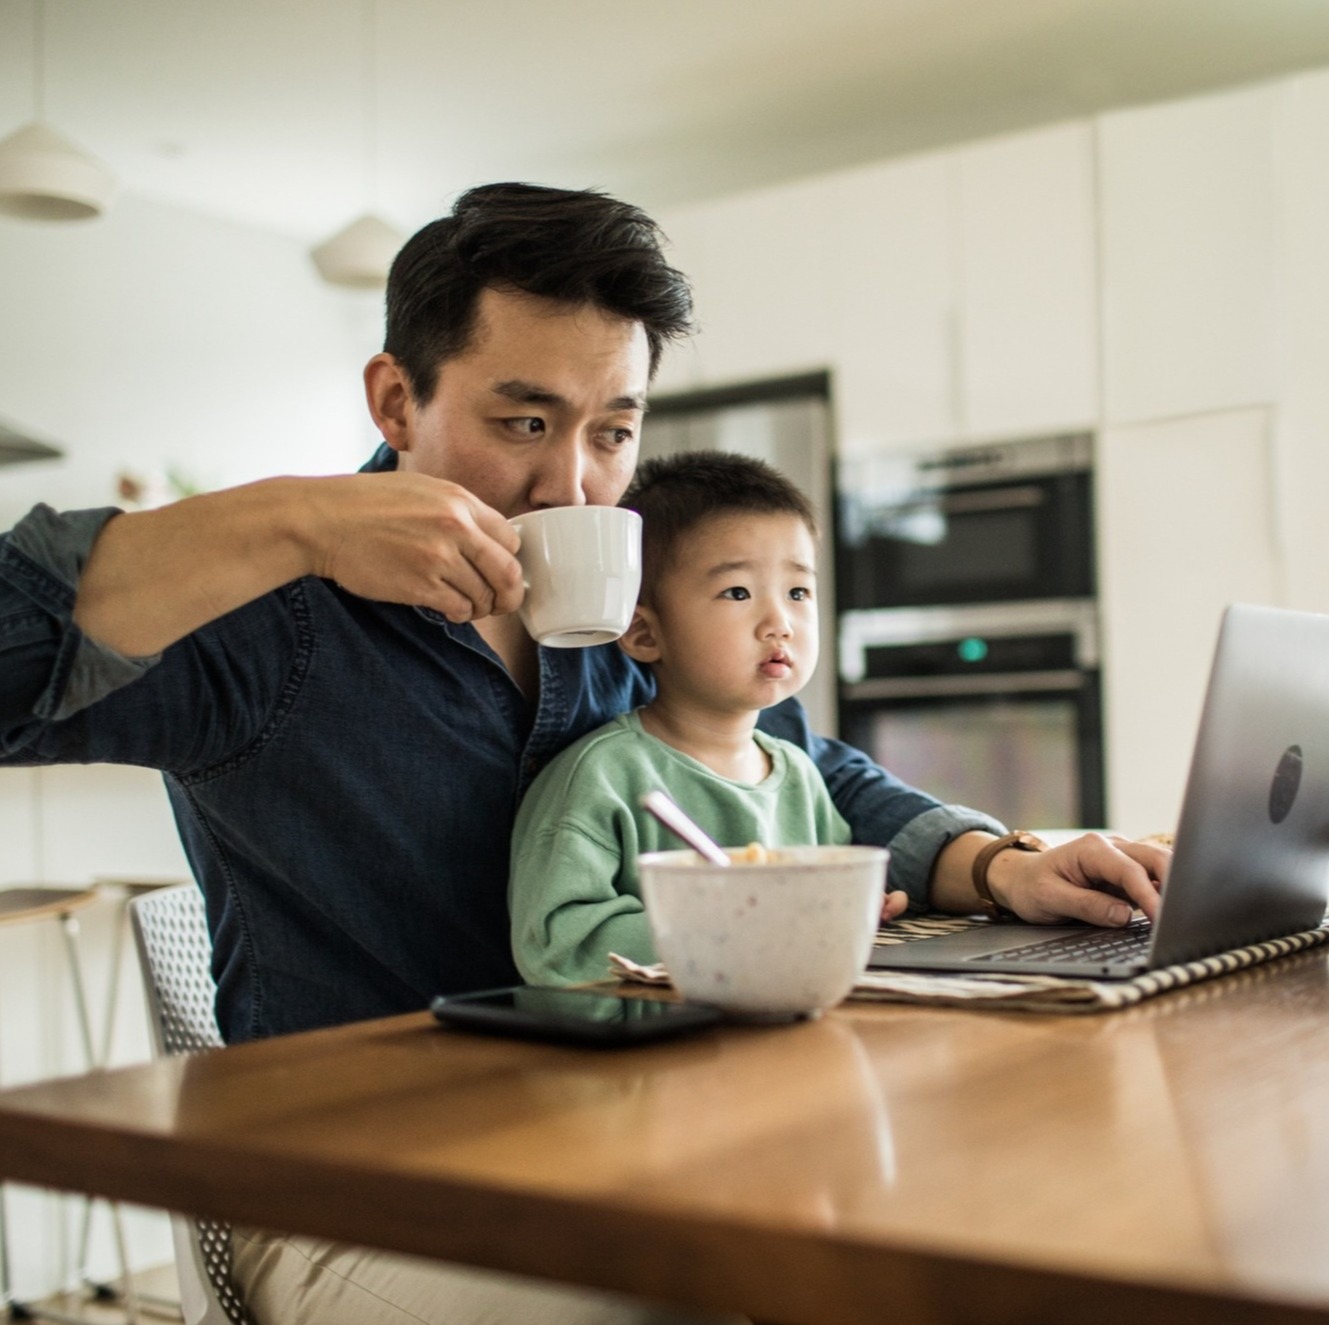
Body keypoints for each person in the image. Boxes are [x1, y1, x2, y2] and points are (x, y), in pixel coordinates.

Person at [0, 181, 1169, 1323]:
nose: (572, 483)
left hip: (639, 1130)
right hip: (356, 1186)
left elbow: (802, 764)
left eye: (613, 431)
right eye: (525, 421)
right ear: (396, 402)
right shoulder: (270, 618)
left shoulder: (632, 608)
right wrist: (295, 518)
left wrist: (997, 862)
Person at [510, 450, 911, 987]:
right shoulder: (602, 778)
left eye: (798, 592)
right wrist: (738, 926)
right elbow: (558, 949)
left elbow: (813, 905)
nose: (780, 623)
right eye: (737, 592)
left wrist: (853, 907)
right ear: (645, 634)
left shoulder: (799, 775)